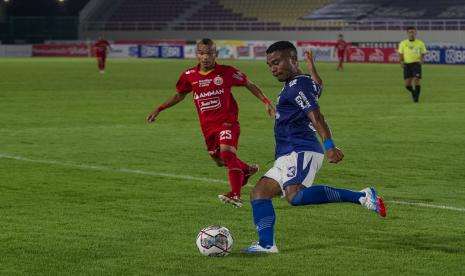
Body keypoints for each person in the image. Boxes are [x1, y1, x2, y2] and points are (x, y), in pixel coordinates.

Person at [242, 41, 386, 254]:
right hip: (286, 154)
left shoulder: (297, 87)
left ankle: (362, 196)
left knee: (296, 196)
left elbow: (317, 116)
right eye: (269, 65)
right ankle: (266, 245)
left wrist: (330, 146)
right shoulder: (304, 83)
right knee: (259, 194)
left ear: (292, 59)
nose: (273, 68)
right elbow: (319, 86)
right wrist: (310, 68)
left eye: (277, 62)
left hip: (300, 149)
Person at [146, 38, 275, 208]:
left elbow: (249, 84)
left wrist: (266, 101)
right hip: (208, 127)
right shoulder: (189, 76)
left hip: (227, 122)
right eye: (201, 53)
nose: (205, 57)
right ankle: (247, 170)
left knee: (228, 154)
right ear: (196, 54)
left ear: (216, 54)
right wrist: (159, 108)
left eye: (209, 53)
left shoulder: (227, 72)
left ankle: (235, 195)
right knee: (220, 160)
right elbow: (179, 95)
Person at [398, 27, 427, 103]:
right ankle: (413, 93)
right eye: (410, 32)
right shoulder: (403, 43)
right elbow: (400, 53)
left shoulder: (420, 43)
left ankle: (416, 99)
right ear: (407, 33)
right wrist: (401, 62)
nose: (412, 33)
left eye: (413, 32)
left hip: (416, 63)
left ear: (416, 33)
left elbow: (423, 52)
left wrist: (422, 59)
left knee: (416, 80)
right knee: (407, 84)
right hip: (407, 64)